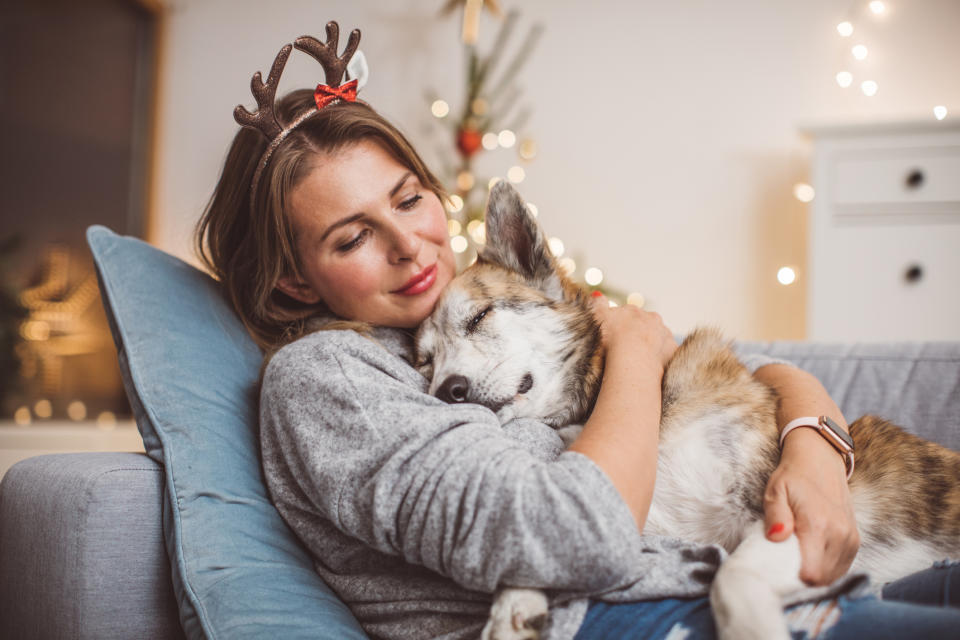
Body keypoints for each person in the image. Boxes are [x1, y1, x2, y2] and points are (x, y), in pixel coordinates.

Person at [195, 28, 960, 640]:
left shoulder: (446, 318)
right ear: (295, 280)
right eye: (352, 237)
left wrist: (816, 447)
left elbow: (755, 375)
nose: (409, 245)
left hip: (800, 557)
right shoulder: (326, 377)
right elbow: (574, 532)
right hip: (643, 612)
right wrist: (630, 345)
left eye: (408, 198)